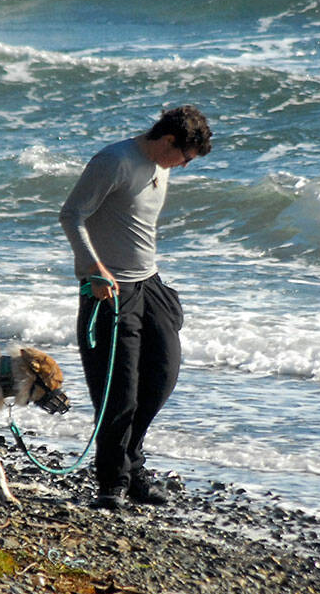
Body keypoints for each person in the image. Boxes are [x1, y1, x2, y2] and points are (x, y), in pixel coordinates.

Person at [59, 105, 213, 509]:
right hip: (107, 290)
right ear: (168, 141)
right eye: (185, 156)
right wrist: (93, 269)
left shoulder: (163, 166)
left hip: (149, 283)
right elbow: (71, 214)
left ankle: (131, 460)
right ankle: (114, 483)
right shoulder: (114, 161)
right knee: (118, 393)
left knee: (162, 373)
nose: (185, 165)